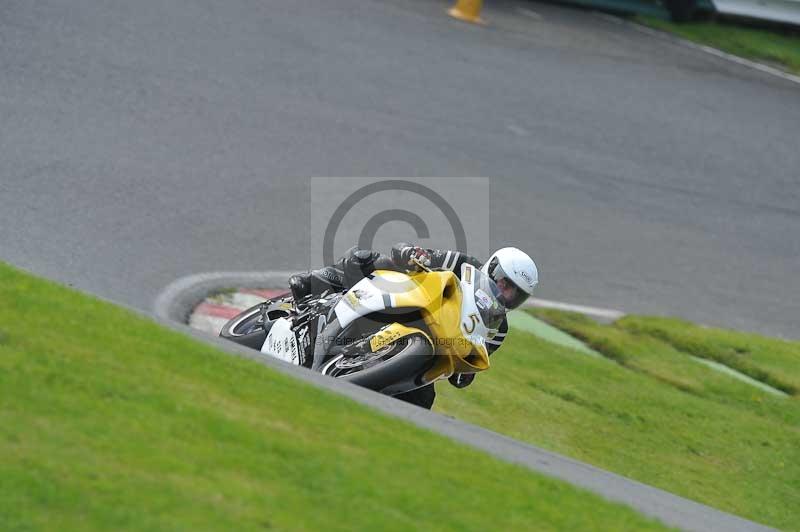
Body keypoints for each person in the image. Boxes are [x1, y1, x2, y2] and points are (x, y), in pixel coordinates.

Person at [289, 243, 539, 408]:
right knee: (368, 259)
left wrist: (466, 372)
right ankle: (322, 281)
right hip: (410, 300)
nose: (506, 296)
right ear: (493, 269)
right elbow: (415, 254)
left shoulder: (499, 330)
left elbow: (465, 371)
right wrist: (412, 253)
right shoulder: (464, 264)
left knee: (423, 401)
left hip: (433, 349)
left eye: (515, 295)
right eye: (506, 284)